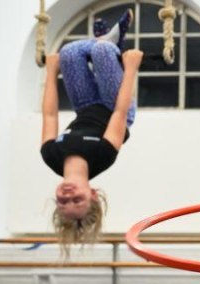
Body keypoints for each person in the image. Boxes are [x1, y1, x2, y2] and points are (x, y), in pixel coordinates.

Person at [40, 9, 143, 257]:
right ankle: (110, 43)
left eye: (63, 203)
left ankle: (108, 39)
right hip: (114, 106)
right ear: (93, 195)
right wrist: (130, 69)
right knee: (102, 52)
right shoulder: (103, 156)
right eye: (78, 200)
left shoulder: (51, 155)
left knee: (69, 53)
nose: (68, 197)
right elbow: (119, 113)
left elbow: (50, 116)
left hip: (85, 105)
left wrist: (51, 73)